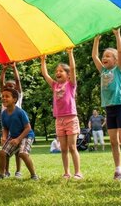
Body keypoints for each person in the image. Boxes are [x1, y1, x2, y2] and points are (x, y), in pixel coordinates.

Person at [92, 29, 121, 181]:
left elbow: (120, 50)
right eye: (104, 56)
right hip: (109, 109)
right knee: (113, 141)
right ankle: (119, 170)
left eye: (107, 56)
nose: (104, 58)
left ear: (116, 60)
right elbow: (94, 56)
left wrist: (117, 34)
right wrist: (96, 40)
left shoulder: (119, 71)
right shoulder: (102, 71)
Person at [40, 49, 82, 179]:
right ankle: (66, 172)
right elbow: (45, 74)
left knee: (72, 147)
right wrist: (43, 61)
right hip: (59, 120)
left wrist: (70, 54)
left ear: (68, 75)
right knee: (63, 149)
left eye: (61, 71)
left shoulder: (71, 84)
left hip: (71, 119)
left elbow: (73, 69)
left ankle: (78, 172)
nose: (57, 73)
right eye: (56, 71)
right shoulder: (54, 86)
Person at [0, 88, 38, 181]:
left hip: (27, 135)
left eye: (7, 96)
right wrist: (4, 137)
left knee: (22, 154)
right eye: (2, 96)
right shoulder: (3, 114)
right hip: (14, 136)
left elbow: (28, 128)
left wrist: (18, 139)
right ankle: (2, 174)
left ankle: (34, 175)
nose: (4, 98)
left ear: (14, 99)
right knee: (2, 152)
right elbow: (5, 128)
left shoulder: (20, 112)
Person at [0, 62, 24, 178]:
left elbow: (18, 82)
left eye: (11, 86)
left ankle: (18, 171)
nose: (8, 87)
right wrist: (3, 70)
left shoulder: (17, 95)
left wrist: (14, 68)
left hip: (19, 127)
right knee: (5, 151)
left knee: (18, 151)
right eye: (7, 86)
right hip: (7, 126)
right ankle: (6, 171)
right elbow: (1, 83)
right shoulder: (5, 96)